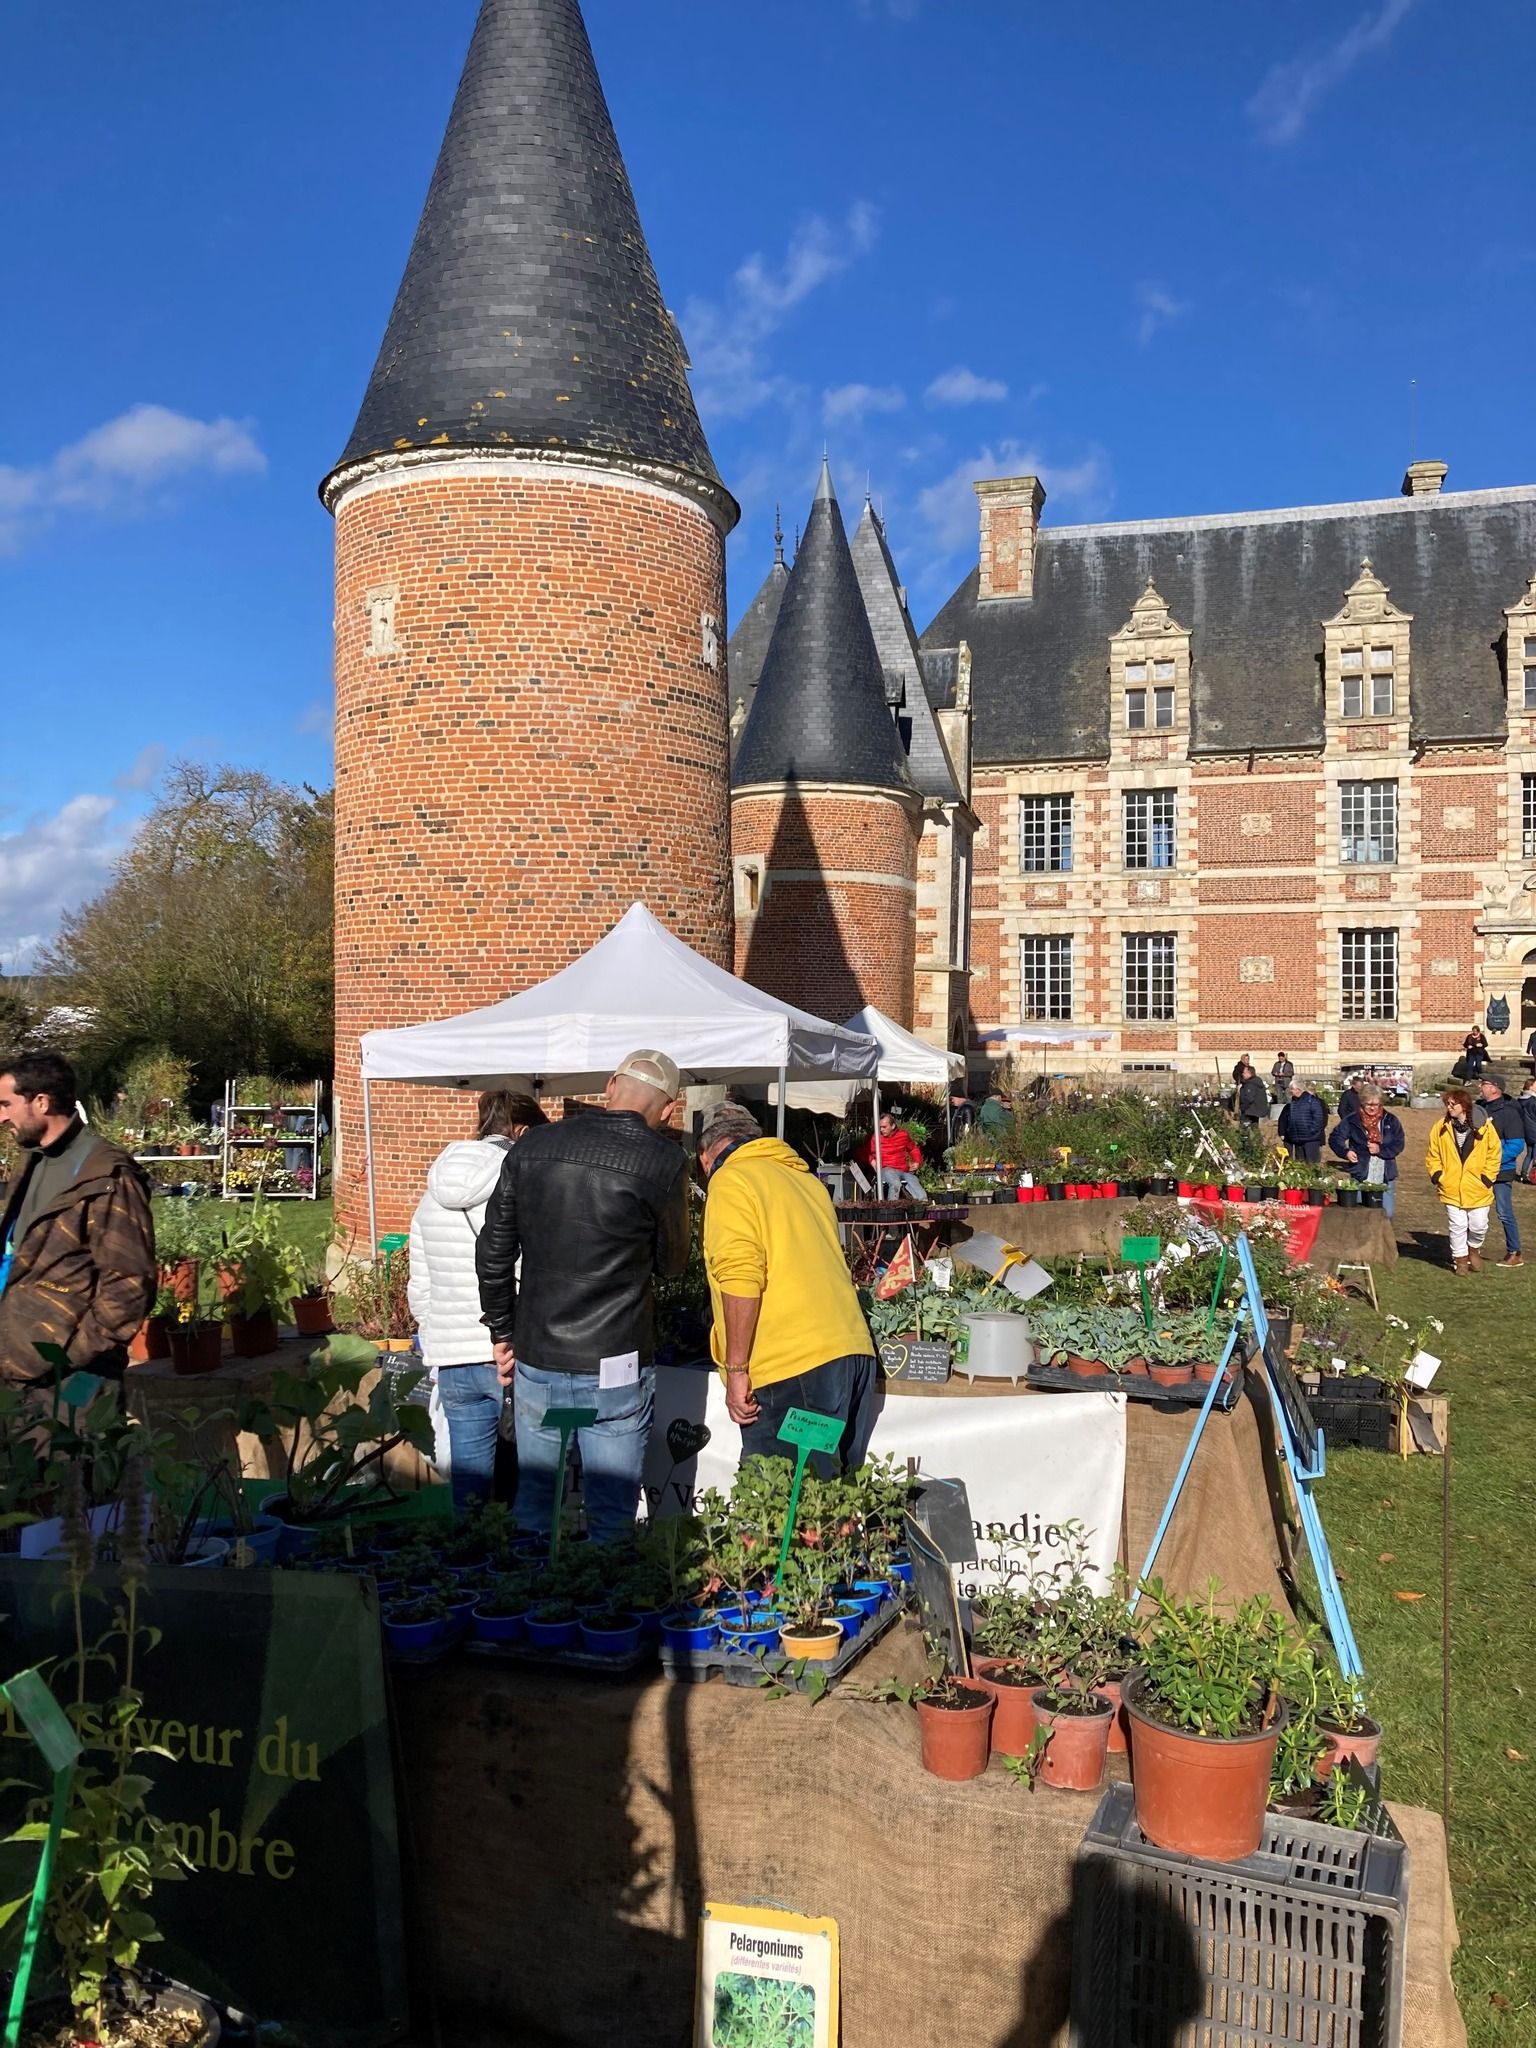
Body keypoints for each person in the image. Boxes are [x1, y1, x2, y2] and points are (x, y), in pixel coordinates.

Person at [476, 1050, 688, 1544]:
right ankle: (604, 1615)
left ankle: (526, 1610)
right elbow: (672, 1262)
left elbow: (494, 1251)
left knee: (534, 1502)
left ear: (611, 1086)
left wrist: (501, 1330)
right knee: (611, 1511)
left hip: (540, 1351)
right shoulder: (663, 1161)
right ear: (669, 1110)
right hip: (616, 1356)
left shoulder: (532, 1146)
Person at [697, 1102, 876, 1477]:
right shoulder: (805, 1181)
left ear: (705, 1156)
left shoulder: (732, 1180)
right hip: (850, 1352)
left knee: (777, 1507)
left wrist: (737, 1368)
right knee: (826, 1503)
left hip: (792, 1364)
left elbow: (742, 1277)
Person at [409, 1090, 548, 1510]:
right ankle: (523, 1563)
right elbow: (530, 1271)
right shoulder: (519, 1187)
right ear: (522, 1132)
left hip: (451, 1357)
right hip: (509, 1352)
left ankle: (466, 1561)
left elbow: (420, 1288)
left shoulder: (430, 1195)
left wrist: (439, 1336)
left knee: (469, 1481)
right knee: (530, 1478)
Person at [0, 1052, 156, 1381]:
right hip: (20, 1370)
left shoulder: (105, 1174)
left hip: (73, 1376)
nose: (1, 1118)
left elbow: (129, 1283)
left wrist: (70, 1357)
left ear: (40, 1102)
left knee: (74, 1435)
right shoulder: (32, 1162)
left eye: (5, 1105)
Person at [1425, 1090, 1500, 1274]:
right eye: (1448, 1104)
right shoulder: (1440, 1127)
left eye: (1453, 1104)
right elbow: (1433, 1154)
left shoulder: (1485, 1128)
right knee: (1457, 1226)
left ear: (1464, 1106)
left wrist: (1487, 1178)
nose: (1449, 1107)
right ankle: (1460, 1261)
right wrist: (1438, 1175)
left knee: (1479, 1225)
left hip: (1478, 1187)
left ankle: (1473, 1248)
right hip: (1451, 1187)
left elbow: (1494, 1153)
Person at [1471, 1075, 1524, 1266]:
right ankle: (1470, 1251)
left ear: (1495, 1088)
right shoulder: (1480, 1109)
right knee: (1474, 1210)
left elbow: (1516, 1144)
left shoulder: (1509, 1112)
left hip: (1501, 1170)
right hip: (1478, 1170)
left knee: (1504, 1212)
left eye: (1483, 1084)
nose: (1480, 1087)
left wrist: (1493, 1160)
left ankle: (1514, 1252)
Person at [1328, 1086, 1405, 1217]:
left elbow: (1399, 1143)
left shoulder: (1391, 1120)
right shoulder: (1352, 1120)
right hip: (1361, 1173)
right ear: (1362, 1103)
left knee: (1387, 1214)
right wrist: (1345, 1152)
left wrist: (1380, 1149)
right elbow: (1335, 1138)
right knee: (1360, 1214)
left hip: (1385, 1174)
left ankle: (1383, 1238)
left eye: (1376, 1104)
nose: (1372, 1108)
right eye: (1369, 1104)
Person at [858, 1111, 925, 1200]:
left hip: (903, 1169)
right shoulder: (875, 1138)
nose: (881, 1130)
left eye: (884, 1127)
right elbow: (863, 1152)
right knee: (895, 1183)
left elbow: (913, 1148)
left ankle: (922, 1206)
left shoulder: (903, 1135)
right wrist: (871, 1160)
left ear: (893, 1126)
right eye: (880, 1127)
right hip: (886, 1169)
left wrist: (917, 1161)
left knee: (915, 1183)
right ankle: (892, 1208)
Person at [1277, 1079, 1326, 1164]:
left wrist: (1311, 1131)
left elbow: (1318, 1119)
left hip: (1310, 1139)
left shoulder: (1312, 1101)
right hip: (1298, 1139)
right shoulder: (1293, 1103)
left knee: (1312, 1165)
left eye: (1291, 1089)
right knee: (1301, 1165)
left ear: (1297, 1089)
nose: (1290, 1091)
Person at [1236, 1063, 1269, 1130]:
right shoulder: (1256, 1082)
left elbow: (1249, 1098)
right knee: (1254, 1127)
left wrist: (1242, 1107)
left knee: (1244, 1129)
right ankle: (1256, 1139)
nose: (1242, 1074)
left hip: (1249, 1111)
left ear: (1249, 1073)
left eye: (1244, 1073)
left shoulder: (1250, 1084)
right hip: (1255, 1110)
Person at [1517, 1077, 1536, 1183]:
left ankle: (1523, 1174)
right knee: (1534, 1155)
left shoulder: (1520, 1100)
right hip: (1534, 1129)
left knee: (1530, 1153)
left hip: (1526, 1130)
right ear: (1531, 1086)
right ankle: (1533, 1176)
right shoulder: (1533, 1101)